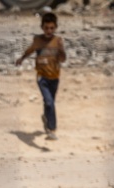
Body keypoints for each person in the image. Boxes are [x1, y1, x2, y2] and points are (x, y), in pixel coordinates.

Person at [15, 12, 67, 141]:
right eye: (46, 28)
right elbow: (30, 50)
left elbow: (63, 59)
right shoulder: (38, 40)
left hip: (54, 77)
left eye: (52, 28)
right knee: (49, 102)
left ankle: (45, 117)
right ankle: (52, 129)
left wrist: (61, 50)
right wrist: (22, 58)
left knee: (49, 103)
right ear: (42, 27)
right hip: (42, 77)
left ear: (55, 27)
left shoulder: (58, 41)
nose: (49, 31)